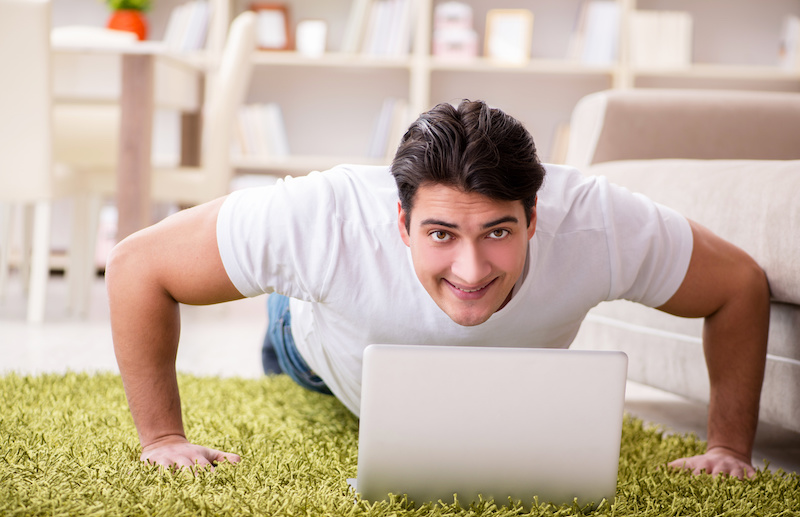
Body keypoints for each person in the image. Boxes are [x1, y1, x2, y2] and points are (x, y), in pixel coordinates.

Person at [106, 99, 769, 480]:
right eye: (443, 234)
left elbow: (738, 285)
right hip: (315, 345)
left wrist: (728, 448)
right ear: (401, 221)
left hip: (487, 376)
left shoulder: (599, 221)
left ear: (536, 217)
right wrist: (162, 438)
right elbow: (139, 266)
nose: (473, 270)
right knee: (295, 332)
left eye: (501, 232)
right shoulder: (322, 217)